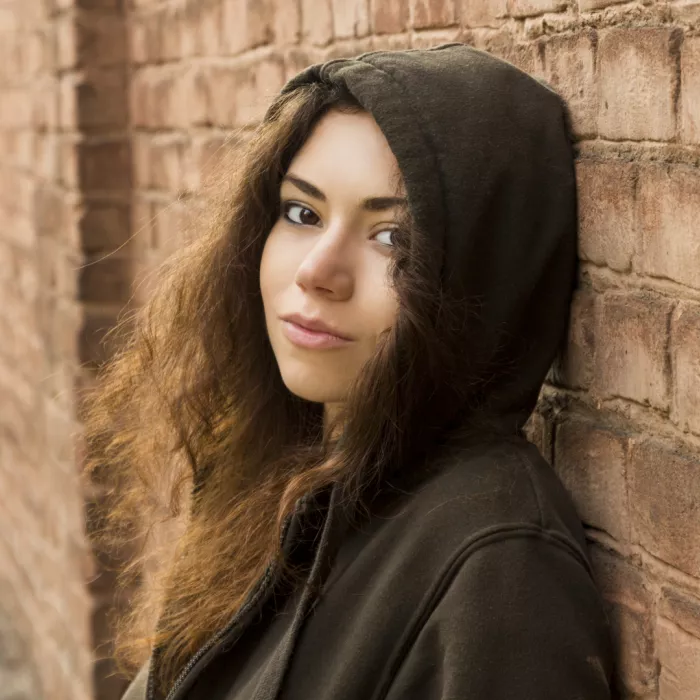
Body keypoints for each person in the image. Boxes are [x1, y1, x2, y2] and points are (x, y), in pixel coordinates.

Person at [86, 42, 615, 700]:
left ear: (480, 281)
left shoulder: (500, 569)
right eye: (302, 213)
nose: (318, 272)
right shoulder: (286, 467)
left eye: (394, 239)